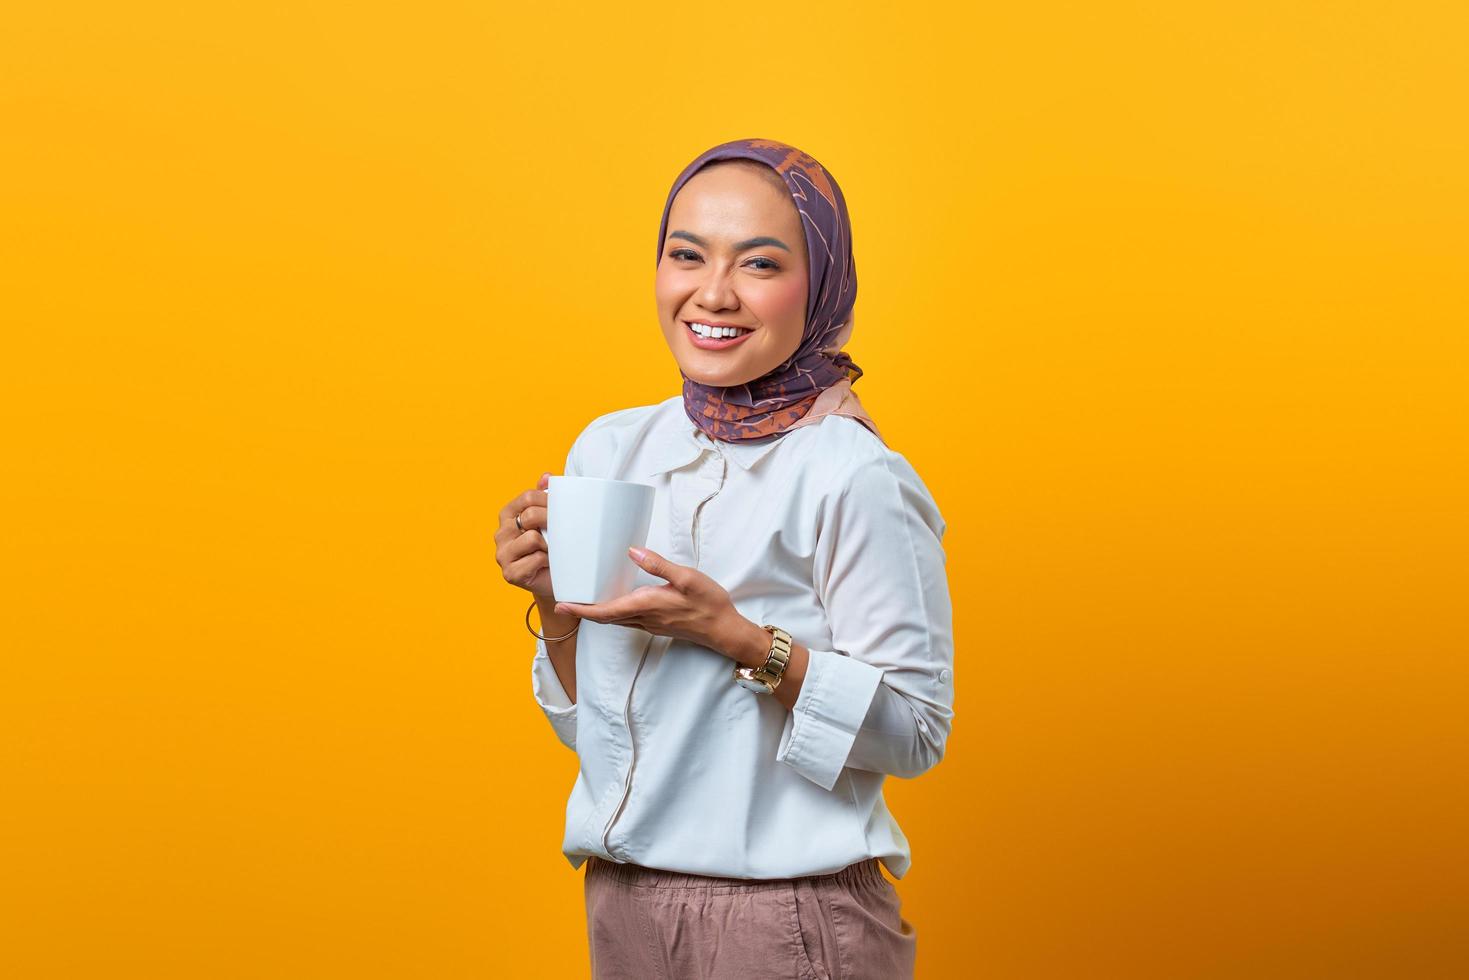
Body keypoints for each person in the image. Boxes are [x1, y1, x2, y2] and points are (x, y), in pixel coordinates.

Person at [495, 138, 954, 980]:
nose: (712, 293)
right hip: (623, 905)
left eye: (760, 264)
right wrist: (556, 606)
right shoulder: (611, 447)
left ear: (819, 287)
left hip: (785, 918)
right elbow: (593, 736)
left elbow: (918, 734)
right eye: (686, 254)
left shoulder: (852, 475)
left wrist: (739, 639)